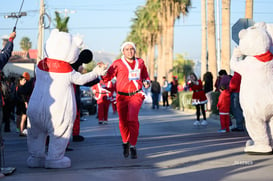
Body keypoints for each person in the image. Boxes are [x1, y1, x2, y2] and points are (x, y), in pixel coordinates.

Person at [101, 41, 150, 159]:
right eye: (127, 49)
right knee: (123, 122)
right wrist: (102, 71)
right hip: (121, 97)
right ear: (123, 51)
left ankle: (133, 145)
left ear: (135, 50)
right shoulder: (117, 63)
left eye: (131, 49)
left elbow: (145, 75)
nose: (130, 51)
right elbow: (107, 78)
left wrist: (147, 82)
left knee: (132, 119)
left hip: (136, 94)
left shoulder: (141, 62)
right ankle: (125, 142)